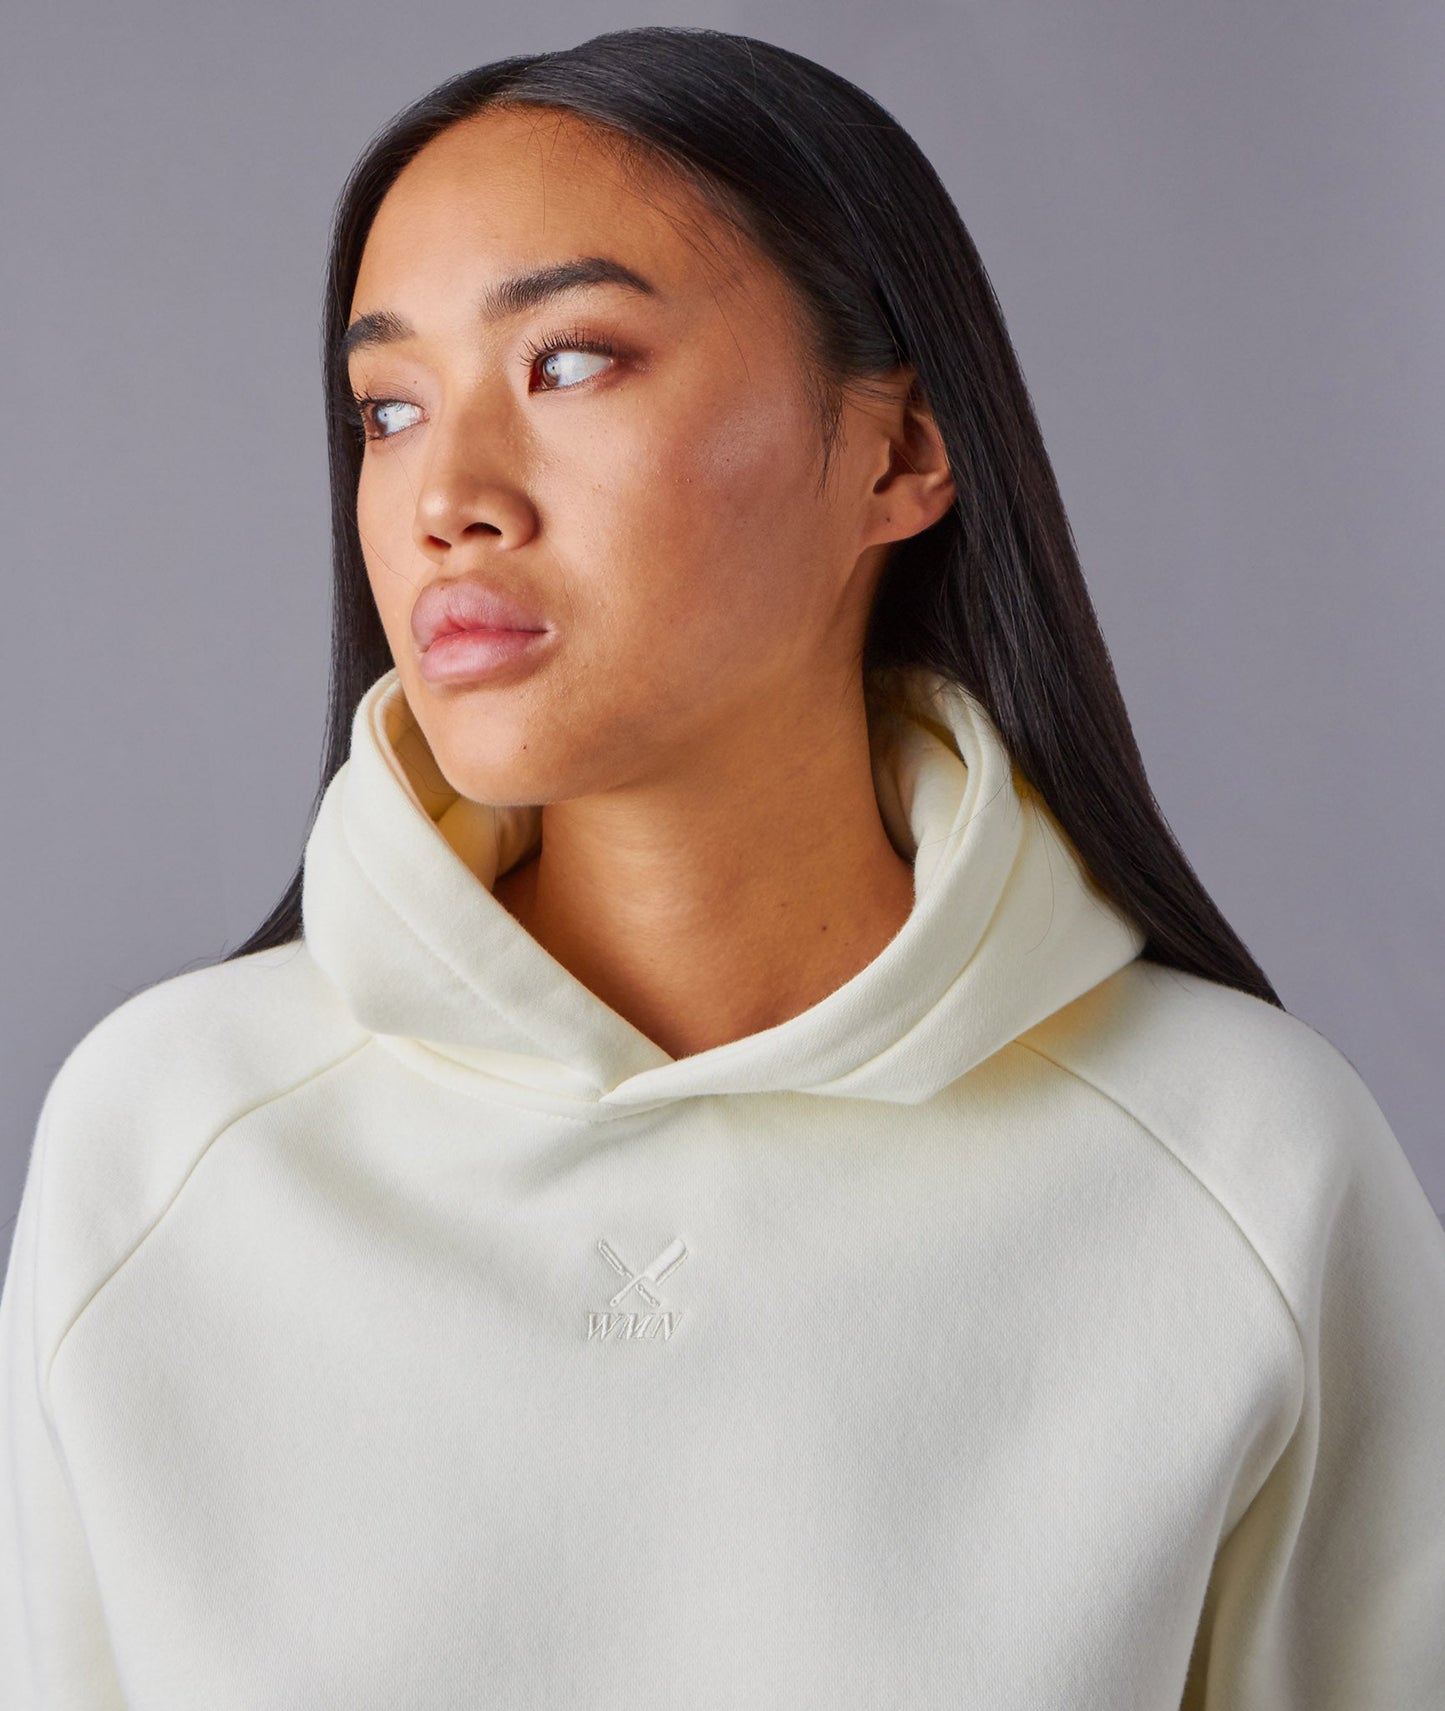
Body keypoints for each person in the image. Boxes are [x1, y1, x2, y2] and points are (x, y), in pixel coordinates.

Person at [2, 25, 1442, 1709]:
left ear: (897, 452)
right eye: (388, 408)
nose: (446, 498)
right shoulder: (167, 1145)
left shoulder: (1245, 1166)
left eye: (569, 364)